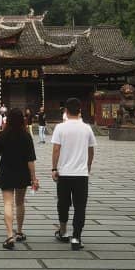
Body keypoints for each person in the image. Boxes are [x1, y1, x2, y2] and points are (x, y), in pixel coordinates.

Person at [51, 96, 96, 250]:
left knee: (63, 204)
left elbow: (56, 149)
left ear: (65, 111)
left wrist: (54, 168)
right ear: (80, 111)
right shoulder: (87, 128)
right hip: (81, 174)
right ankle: (76, 237)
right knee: (80, 206)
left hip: (64, 173)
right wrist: (88, 166)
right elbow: (91, 150)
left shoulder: (60, 128)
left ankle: (63, 232)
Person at [0, 107, 39, 249]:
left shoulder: (2, 135)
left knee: (7, 203)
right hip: (22, 173)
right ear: (22, 120)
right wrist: (33, 178)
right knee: (20, 203)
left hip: (6, 171)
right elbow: (30, 160)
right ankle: (19, 231)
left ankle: (9, 236)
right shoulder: (26, 136)